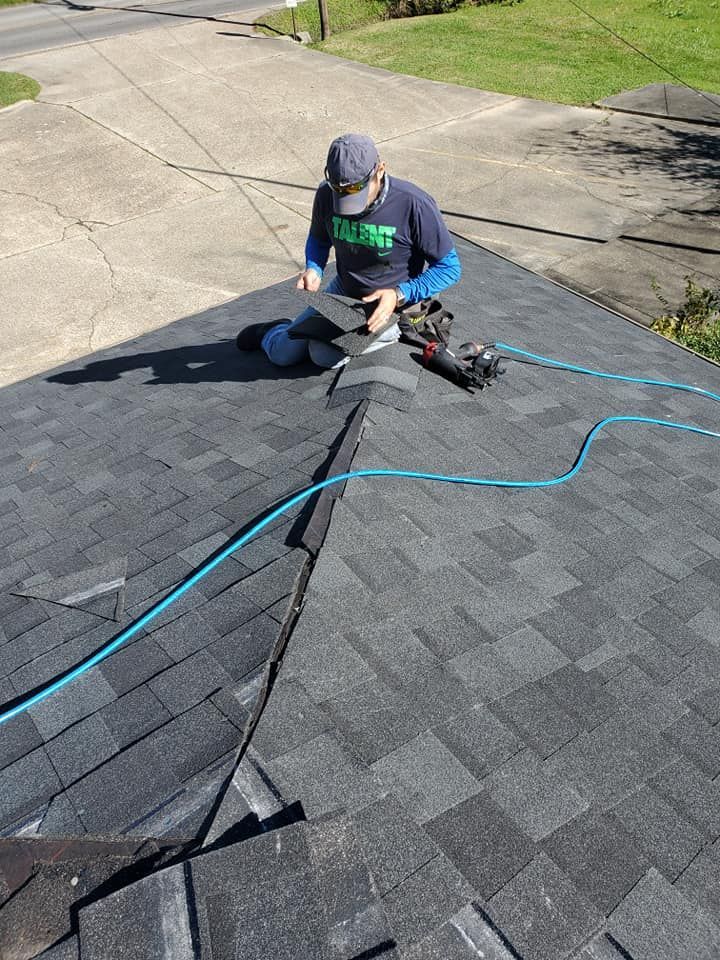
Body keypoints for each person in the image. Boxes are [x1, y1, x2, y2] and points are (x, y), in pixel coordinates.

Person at [237, 133, 462, 368]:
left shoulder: (414, 203)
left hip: (396, 304)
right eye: (339, 191)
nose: (346, 201)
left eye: (356, 192)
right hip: (346, 290)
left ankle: (398, 332)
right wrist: (314, 268)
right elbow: (319, 238)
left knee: (322, 355)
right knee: (283, 354)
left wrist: (398, 294)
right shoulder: (326, 194)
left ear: (380, 170)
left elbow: (450, 268)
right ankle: (273, 331)